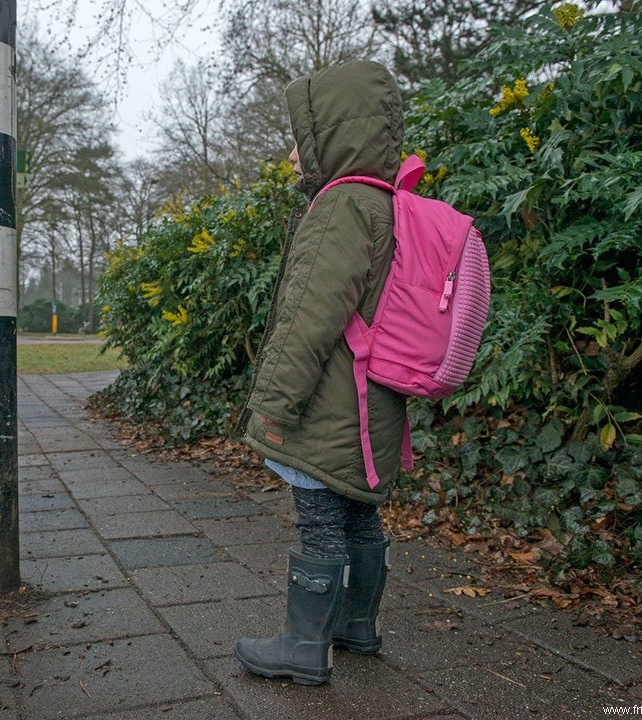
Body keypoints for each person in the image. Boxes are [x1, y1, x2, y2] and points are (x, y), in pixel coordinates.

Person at [233, 60, 407, 686]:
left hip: (329, 398)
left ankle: (303, 646)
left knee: (319, 512)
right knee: (359, 506)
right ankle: (357, 626)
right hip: (377, 398)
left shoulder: (342, 207)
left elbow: (309, 316)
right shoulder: (392, 203)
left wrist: (274, 405)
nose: (292, 152)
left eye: (300, 136)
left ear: (331, 132)